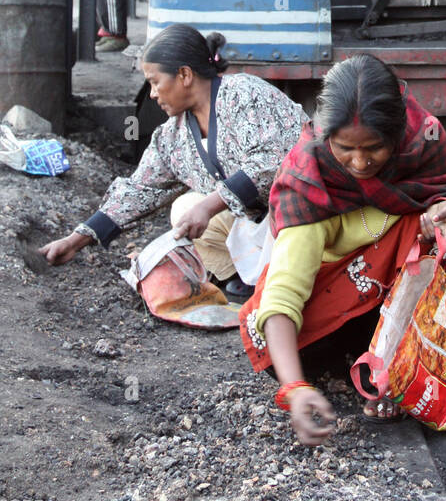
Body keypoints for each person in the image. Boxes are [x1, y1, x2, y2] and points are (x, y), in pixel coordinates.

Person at [239, 53, 446, 446]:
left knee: (430, 240)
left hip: (392, 299)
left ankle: (395, 363)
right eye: (345, 148)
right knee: (282, 342)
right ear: (325, 136)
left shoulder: (424, 140)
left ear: (398, 134)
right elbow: (285, 289)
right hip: (325, 319)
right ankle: (357, 361)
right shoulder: (310, 176)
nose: (359, 162)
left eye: (374, 148)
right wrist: (295, 387)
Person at [39, 24, 308, 299]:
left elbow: (275, 158)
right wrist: (76, 240)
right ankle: (244, 280)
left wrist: (209, 205)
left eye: (155, 82)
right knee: (184, 209)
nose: (153, 93)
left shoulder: (244, 93)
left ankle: (289, 279)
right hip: (260, 221)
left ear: (184, 75)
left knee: (200, 206)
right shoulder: (172, 136)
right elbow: (140, 190)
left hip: (302, 212)